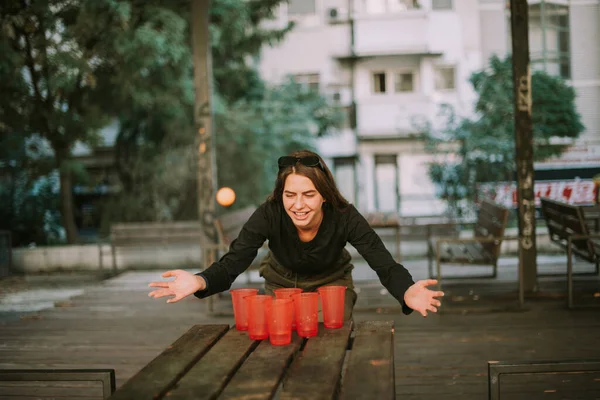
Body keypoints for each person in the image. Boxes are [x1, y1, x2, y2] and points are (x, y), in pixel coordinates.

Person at [148, 150, 443, 319]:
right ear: (281, 194)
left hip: (332, 285)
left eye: (309, 195)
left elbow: (383, 263)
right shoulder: (270, 213)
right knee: (282, 347)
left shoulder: (344, 216)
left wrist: (406, 290)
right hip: (281, 283)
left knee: (331, 341)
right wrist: (200, 280)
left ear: (324, 195)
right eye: (290, 195)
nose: (298, 205)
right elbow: (234, 261)